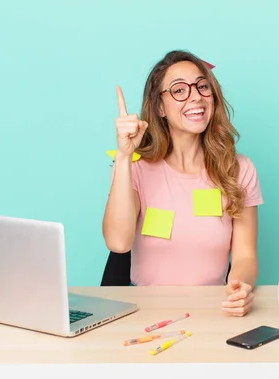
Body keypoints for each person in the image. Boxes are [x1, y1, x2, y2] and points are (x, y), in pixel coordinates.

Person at [102, 50, 263, 317]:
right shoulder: (135, 168)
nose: (196, 96)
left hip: (214, 313)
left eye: (202, 86)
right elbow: (118, 243)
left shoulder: (239, 169)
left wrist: (241, 287)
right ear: (159, 107)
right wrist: (123, 156)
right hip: (145, 316)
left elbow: (245, 255)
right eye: (179, 90)